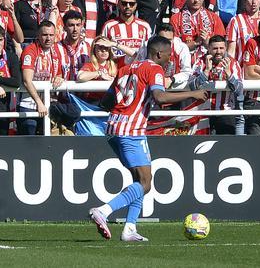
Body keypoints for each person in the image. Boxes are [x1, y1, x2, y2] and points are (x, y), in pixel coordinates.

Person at [87, 36, 208, 243]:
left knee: (139, 180)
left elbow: (106, 101)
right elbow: (160, 97)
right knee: (145, 183)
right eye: (169, 55)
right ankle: (104, 210)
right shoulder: (154, 69)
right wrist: (193, 93)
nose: (171, 59)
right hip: (132, 130)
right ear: (159, 54)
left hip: (114, 127)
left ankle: (130, 228)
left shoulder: (127, 68)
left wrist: (128, 103)